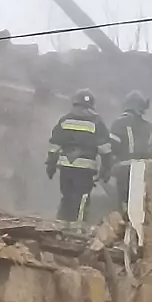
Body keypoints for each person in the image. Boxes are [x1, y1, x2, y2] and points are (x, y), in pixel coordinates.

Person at [46, 89, 112, 225]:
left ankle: (61, 225)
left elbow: (55, 144)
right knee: (81, 198)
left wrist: (51, 164)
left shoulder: (65, 120)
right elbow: (105, 148)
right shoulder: (96, 122)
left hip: (66, 167)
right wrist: (106, 168)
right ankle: (78, 228)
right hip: (85, 169)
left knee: (67, 196)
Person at [110, 91, 152, 215]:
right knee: (140, 204)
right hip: (145, 171)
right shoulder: (149, 127)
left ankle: (126, 222)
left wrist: (109, 166)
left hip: (124, 170)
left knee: (125, 203)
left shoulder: (118, 124)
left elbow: (112, 147)